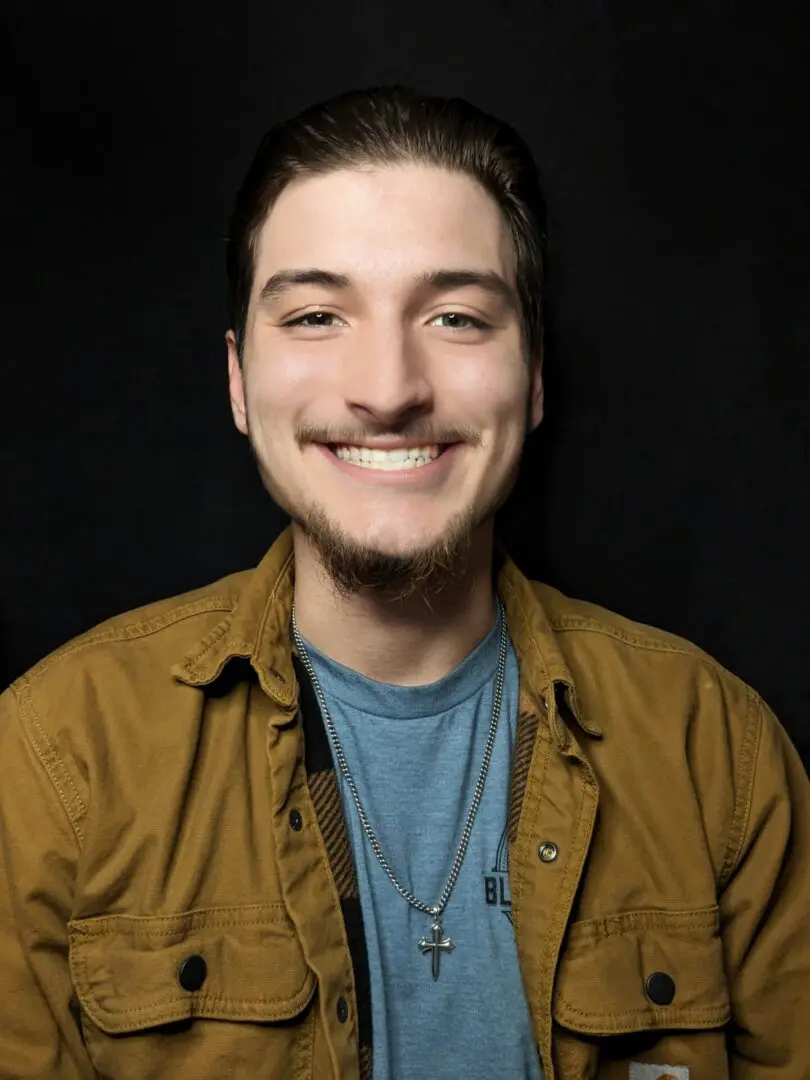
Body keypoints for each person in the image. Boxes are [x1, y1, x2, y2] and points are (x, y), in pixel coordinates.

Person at [0, 85, 808, 1080]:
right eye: (316, 315)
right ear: (240, 382)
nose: (388, 388)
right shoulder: (48, 761)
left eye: (458, 316)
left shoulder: (717, 753)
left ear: (536, 376)